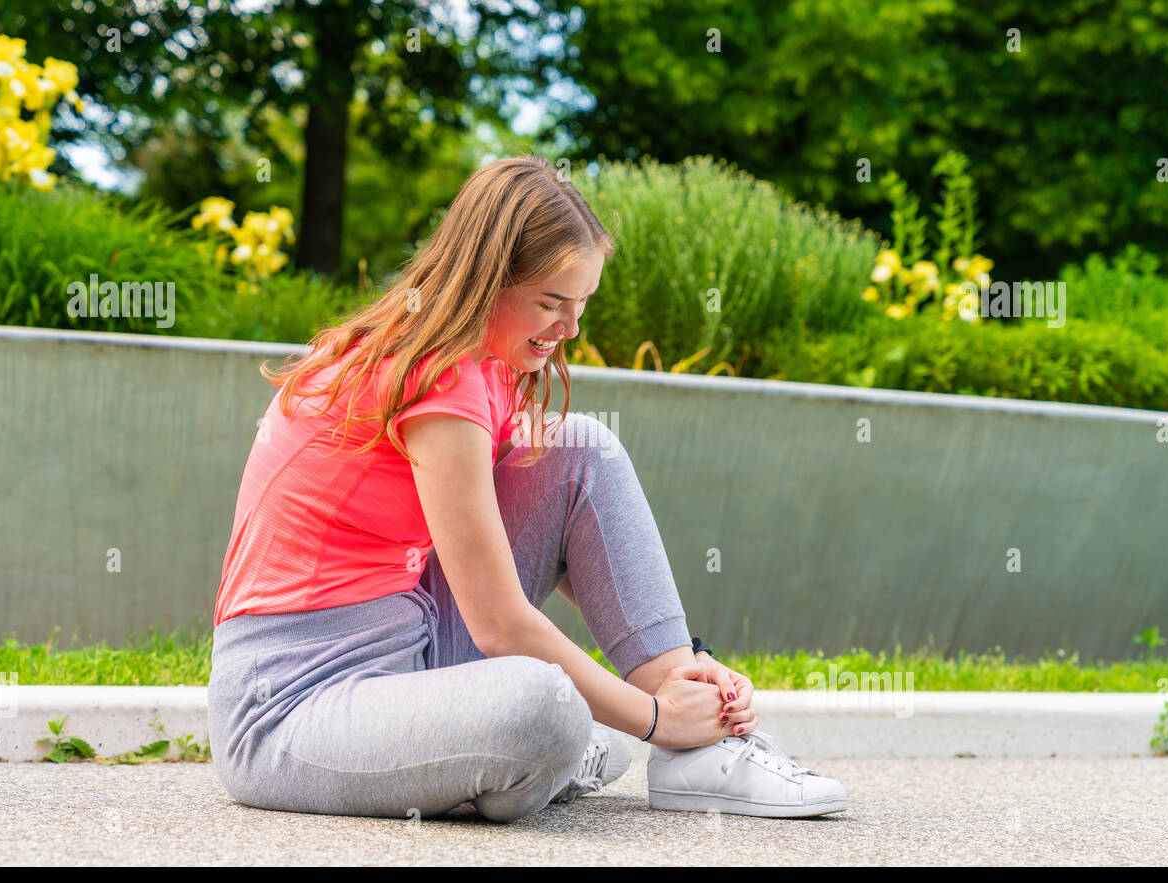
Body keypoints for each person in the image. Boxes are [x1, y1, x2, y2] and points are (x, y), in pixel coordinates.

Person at [207, 154, 847, 823]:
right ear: (487, 279)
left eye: (582, 304)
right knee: (545, 708)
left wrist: (690, 670)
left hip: (414, 637)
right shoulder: (433, 374)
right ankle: (569, 746)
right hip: (292, 703)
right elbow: (498, 622)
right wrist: (656, 718)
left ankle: (699, 755)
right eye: (551, 302)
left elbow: (567, 526)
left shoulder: (493, 362)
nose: (570, 328)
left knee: (580, 450)